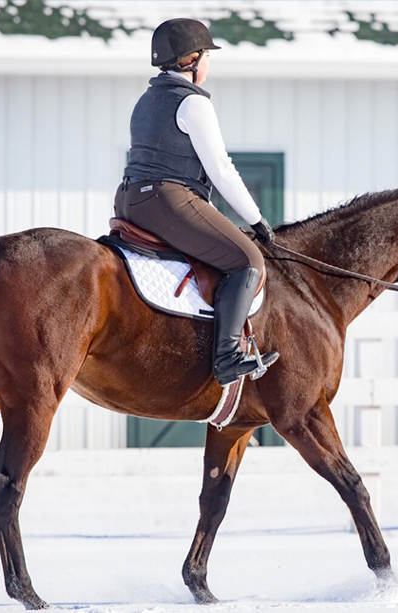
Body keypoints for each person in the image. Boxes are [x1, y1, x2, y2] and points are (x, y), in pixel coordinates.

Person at [114, 18, 279, 386]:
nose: (209, 63)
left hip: (129, 198)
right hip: (165, 199)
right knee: (247, 260)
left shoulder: (146, 100)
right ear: (191, 59)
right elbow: (221, 169)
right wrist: (256, 221)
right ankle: (227, 357)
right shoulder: (192, 104)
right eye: (206, 55)